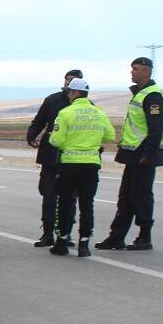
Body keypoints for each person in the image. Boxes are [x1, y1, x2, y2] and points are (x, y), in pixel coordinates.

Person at [96, 57, 163, 251]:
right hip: (133, 153)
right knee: (126, 196)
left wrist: (148, 154)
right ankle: (116, 237)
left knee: (141, 196)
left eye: (135, 69)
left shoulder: (152, 96)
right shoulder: (139, 94)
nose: (131, 72)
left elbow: (156, 128)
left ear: (146, 71)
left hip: (144, 155)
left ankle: (145, 236)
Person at [46, 78, 116, 257]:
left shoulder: (66, 113)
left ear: (75, 92)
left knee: (65, 203)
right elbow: (110, 136)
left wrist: (66, 142)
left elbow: (56, 140)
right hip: (91, 165)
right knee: (87, 204)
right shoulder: (99, 113)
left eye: (69, 92)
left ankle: (62, 241)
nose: (68, 95)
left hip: (69, 164)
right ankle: (84, 244)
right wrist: (92, 141)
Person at [26, 69, 84, 247]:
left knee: (69, 198)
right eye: (67, 80)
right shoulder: (52, 100)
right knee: (49, 195)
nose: (68, 83)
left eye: (72, 80)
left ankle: (64, 234)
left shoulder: (85, 106)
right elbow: (39, 121)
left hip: (71, 158)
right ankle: (47, 234)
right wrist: (31, 136)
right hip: (50, 155)